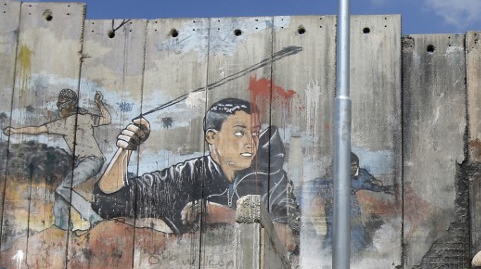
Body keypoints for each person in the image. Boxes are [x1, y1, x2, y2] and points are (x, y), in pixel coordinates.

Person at [91, 97, 299, 250]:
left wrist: (225, 215)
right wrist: (125, 149)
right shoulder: (186, 176)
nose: (250, 142)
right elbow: (109, 202)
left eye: (254, 133)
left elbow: (290, 239)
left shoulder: (272, 178)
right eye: (239, 132)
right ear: (211, 136)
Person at [4, 89, 112, 231]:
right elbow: (107, 119)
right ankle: (63, 226)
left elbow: (37, 129)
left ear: (68, 106)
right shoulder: (78, 119)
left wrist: (16, 131)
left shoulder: (69, 122)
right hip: (89, 162)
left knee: (64, 188)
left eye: (62, 105)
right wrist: (99, 104)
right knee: (60, 192)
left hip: (92, 160)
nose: (60, 109)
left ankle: (95, 219)